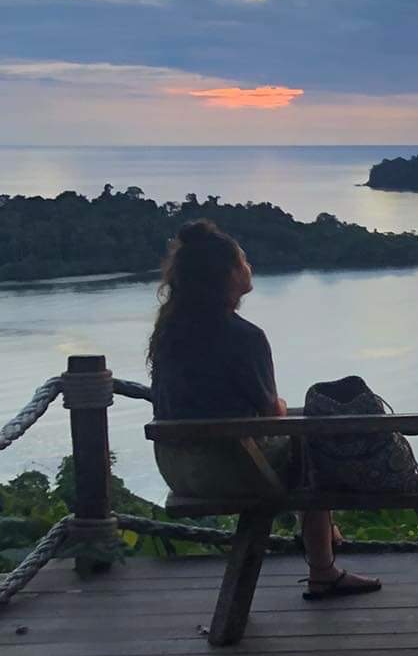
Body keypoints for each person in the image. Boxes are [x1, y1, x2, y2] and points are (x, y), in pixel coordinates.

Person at [147, 219, 380, 600]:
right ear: (227, 275)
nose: (249, 267)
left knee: (298, 440)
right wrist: (285, 408)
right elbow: (272, 413)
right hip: (230, 467)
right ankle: (323, 568)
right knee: (312, 443)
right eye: (244, 261)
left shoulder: (169, 333)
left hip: (179, 469)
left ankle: (321, 535)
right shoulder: (245, 336)